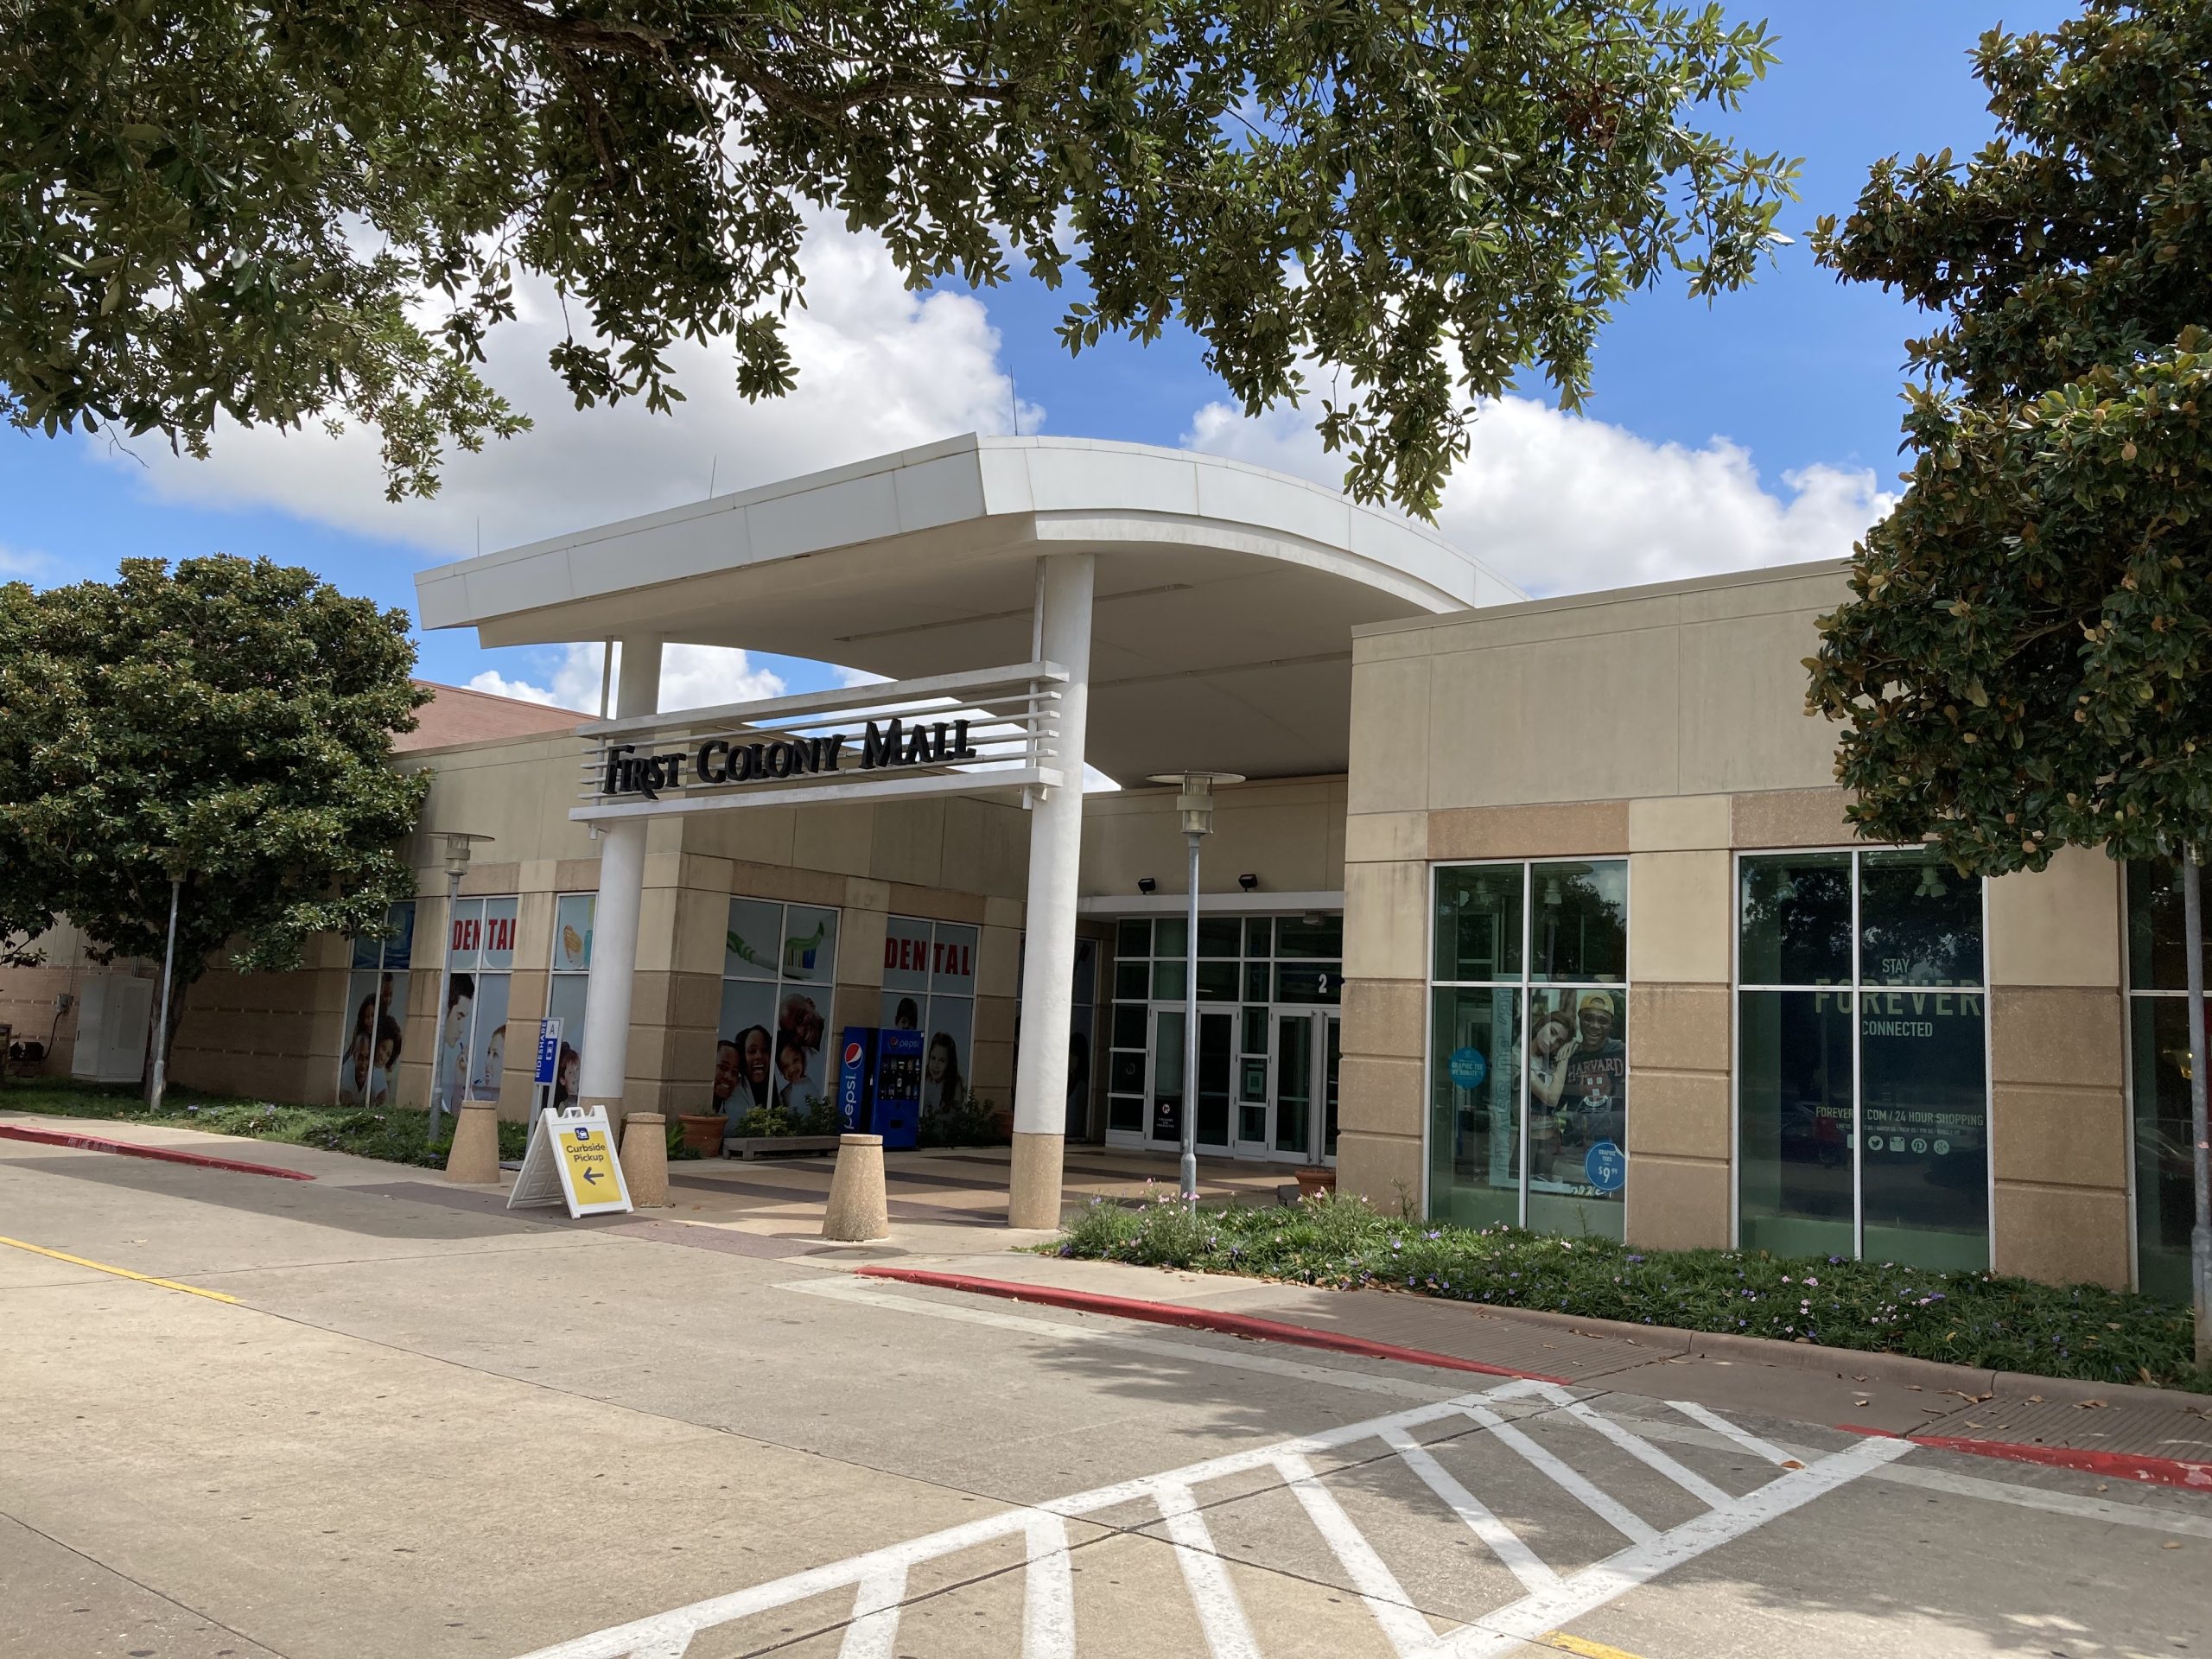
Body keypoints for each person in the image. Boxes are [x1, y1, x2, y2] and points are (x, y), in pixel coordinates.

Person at [1561, 990, 1626, 1150]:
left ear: (1611, 1025)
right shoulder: (1569, 1056)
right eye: (1589, 1018)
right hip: (1577, 1142)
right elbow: (1556, 1103)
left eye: (1602, 1021)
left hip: (1614, 1141)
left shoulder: (1622, 1052)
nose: (1595, 1026)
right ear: (1580, 1020)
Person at [923, 1030, 964, 1116]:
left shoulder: (954, 1084)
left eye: (942, 1060)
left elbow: (955, 1116)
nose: (936, 1065)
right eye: (933, 1058)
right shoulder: (924, 1080)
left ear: (949, 1063)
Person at [772, 1030, 814, 1110]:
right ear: (780, 1070)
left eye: (795, 1060)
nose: (791, 1069)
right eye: (785, 1067)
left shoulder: (814, 1085)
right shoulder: (784, 1095)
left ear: (802, 1057)